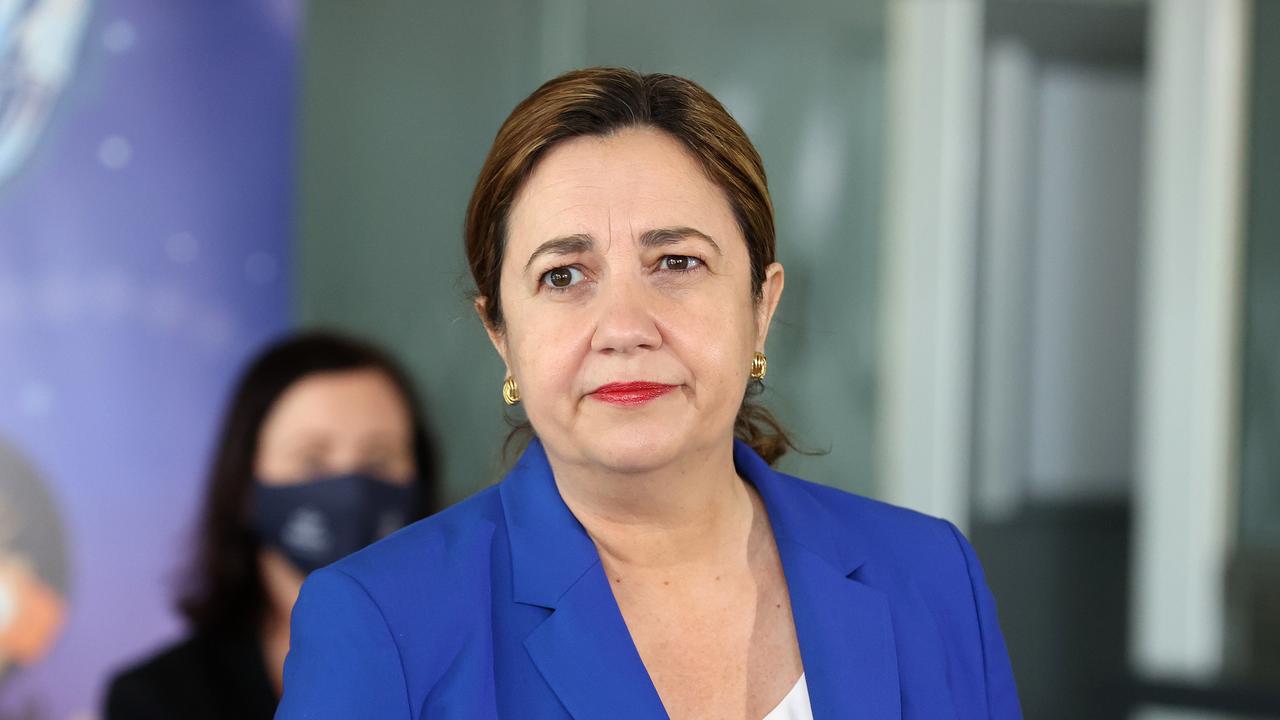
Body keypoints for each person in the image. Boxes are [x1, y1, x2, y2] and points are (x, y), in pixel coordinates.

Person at [276, 68, 1022, 720]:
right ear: (500, 332)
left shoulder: (929, 574)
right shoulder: (381, 621)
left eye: (676, 262)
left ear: (761, 307)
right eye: (562, 276)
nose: (625, 328)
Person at [105, 331, 439, 719]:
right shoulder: (158, 699)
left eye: (379, 460)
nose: (350, 489)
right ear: (246, 487)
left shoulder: (472, 665)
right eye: (311, 461)